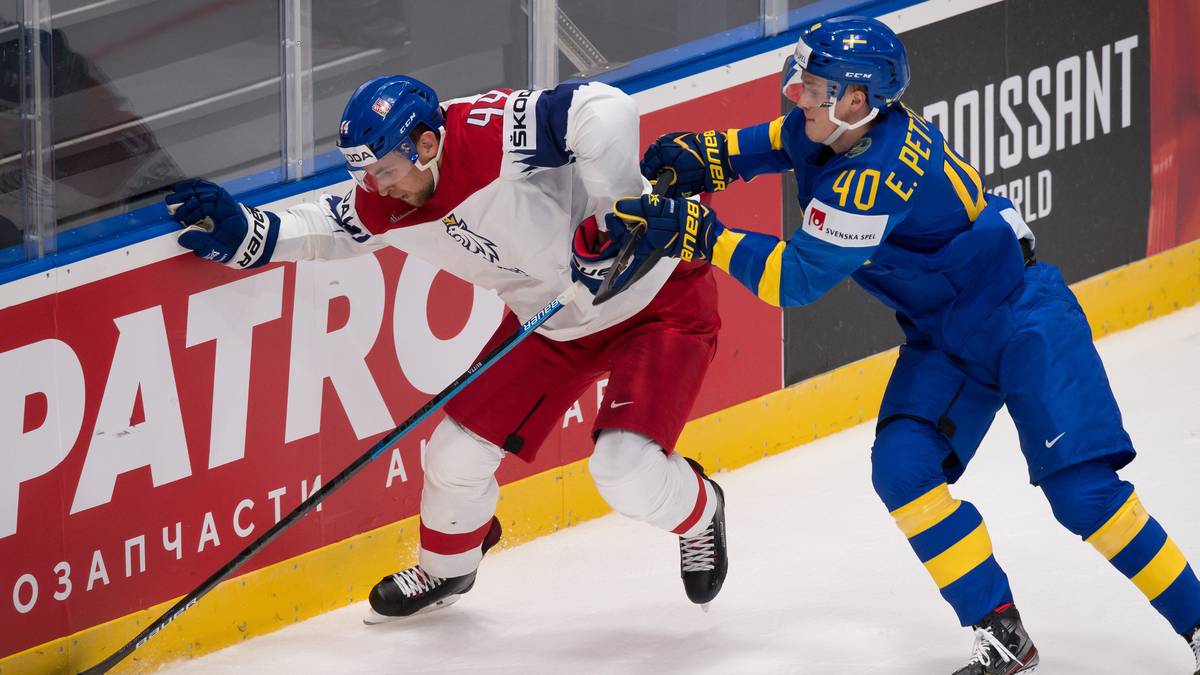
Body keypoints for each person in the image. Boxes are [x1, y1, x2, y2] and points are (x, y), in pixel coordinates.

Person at [604, 15, 1200, 675]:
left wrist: (700, 233)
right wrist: (705, 154)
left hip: (1022, 321)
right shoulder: (838, 129)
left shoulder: (874, 178)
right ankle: (1002, 631)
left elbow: (795, 279)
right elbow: (765, 145)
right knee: (903, 469)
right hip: (945, 338)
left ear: (857, 99)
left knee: (1083, 495)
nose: (797, 92)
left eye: (815, 83)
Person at [163, 75, 728, 621]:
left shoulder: (485, 131)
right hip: (554, 323)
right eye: (363, 172)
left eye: (384, 169)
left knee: (623, 471)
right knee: (453, 454)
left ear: (427, 143)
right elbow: (331, 225)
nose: (375, 186)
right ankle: (449, 568)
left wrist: (615, 215)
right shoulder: (383, 193)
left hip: (658, 298)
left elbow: (599, 105)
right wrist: (249, 234)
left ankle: (700, 512)